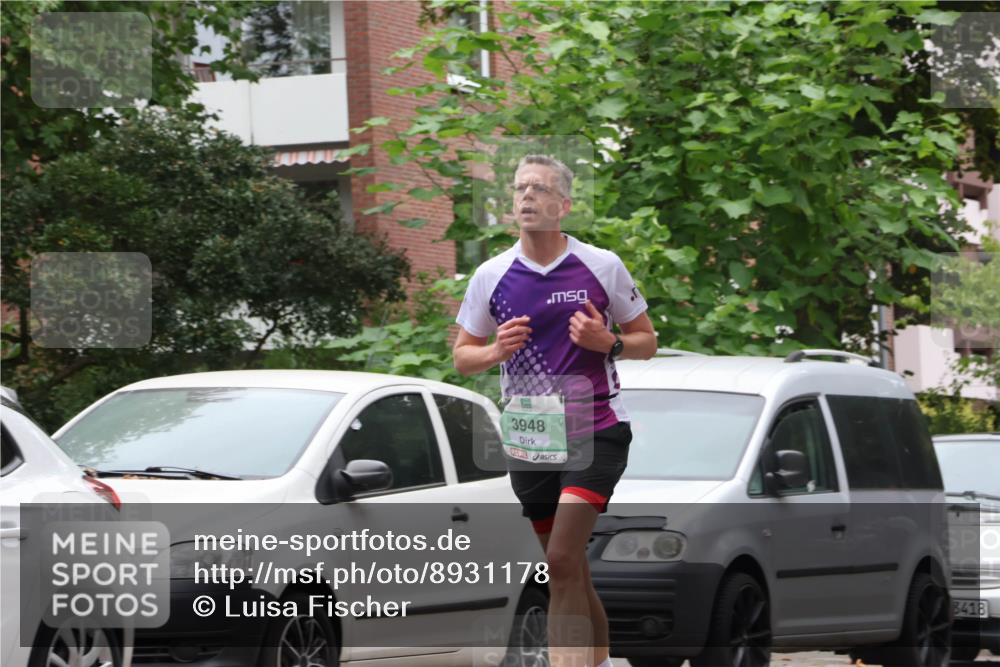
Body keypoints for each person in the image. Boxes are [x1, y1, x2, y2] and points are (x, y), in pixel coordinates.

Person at [453, 154, 657, 667]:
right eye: (520, 188)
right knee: (569, 570)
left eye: (539, 189)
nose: (526, 197)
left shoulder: (601, 265)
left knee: (563, 559)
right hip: (529, 436)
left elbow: (646, 342)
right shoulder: (491, 275)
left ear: (563, 205)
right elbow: (462, 357)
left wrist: (606, 342)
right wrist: (495, 351)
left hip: (596, 427)